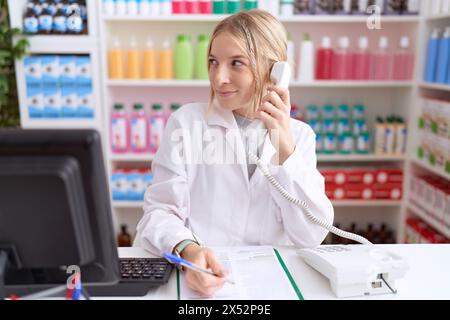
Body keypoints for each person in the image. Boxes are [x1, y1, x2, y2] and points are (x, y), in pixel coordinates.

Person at [136, 9, 334, 297]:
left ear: (275, 71)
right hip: (201, 281)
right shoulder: (187, 123)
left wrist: (284, 150)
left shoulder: (299, 137)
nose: (219, 78)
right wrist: (189, 251)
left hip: (269, 285)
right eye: (213, 62)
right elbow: (159, 212)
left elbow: (311, 235)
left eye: (236, 63)